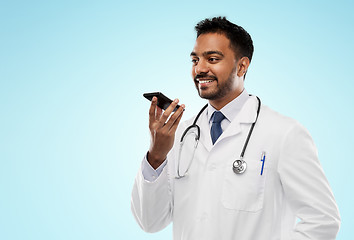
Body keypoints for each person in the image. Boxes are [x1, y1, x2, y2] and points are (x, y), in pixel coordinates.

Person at [131, 16, 340, 239]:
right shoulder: (180, 134)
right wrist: (156, 156)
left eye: (212, 59)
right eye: (195, 60)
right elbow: (150, 222)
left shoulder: (284, 133)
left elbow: (323, 221)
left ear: (242, 66)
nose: (200, 69)